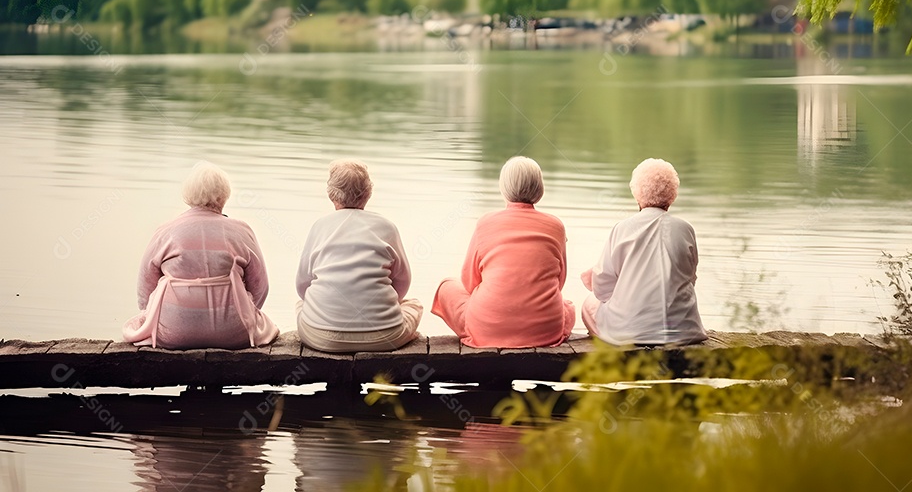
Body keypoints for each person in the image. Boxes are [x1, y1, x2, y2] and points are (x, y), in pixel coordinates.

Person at [122, 161, 279, 349]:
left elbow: (145, 285)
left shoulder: (166, 231)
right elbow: (260, 287)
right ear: (224, 196)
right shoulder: (241, 231)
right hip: (234, 334)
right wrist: (243, 313)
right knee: (268, 324)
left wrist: (150, 314)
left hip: (173, 332)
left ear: (188, 196)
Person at [432, 156, 575, 348]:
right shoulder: (556, 225)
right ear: (539, 188)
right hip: (545, 331)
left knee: (446, 287)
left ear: (504, 187)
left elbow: (469, 282)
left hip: (487, 328)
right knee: (568, 306)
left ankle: (484, 325)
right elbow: (559, 282)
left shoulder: (486, 223)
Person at [295, 159, 423, 352]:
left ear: (331, 194)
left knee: (300, 305)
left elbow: (302, 285)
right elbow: (403, 281)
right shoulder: (387, 227)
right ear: (368, 193)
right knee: (414, 305)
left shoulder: (319, 226)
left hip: (322, 338)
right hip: (385, 337)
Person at [581, 158, 706, 345]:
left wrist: (623, 292)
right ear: (673, 194)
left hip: (630, 332)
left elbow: (602, 289)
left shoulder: (622, 228)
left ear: (637, 193)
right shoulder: (686, 229)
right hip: (685, 331)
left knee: (588, 304)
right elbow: (690, 279)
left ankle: (611, 341)